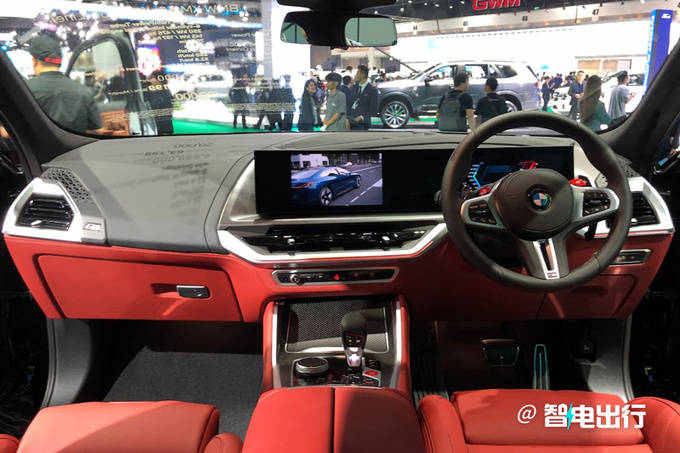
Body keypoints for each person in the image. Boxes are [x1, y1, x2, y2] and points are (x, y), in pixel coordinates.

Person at [25, 33, 102, 134]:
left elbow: (7, 132)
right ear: (59, 62)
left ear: (35, 61)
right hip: (76, 144)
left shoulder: (25, 90)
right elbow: (97, 130)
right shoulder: (84, 92)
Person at [348, 65, 378, 131]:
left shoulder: (372, 90)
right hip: (351, 122)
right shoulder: (353, 88)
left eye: (357, 73)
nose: (356, 75)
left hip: (363, 124)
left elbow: (374, 109)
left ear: (363, 74)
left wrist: (362, 117)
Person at [146, 69, 174, 135]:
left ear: (159, 80)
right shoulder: (164, 91)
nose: (150, 80)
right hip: (161, 127)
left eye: (152, 78)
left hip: (162, 128)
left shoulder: (162, 93)